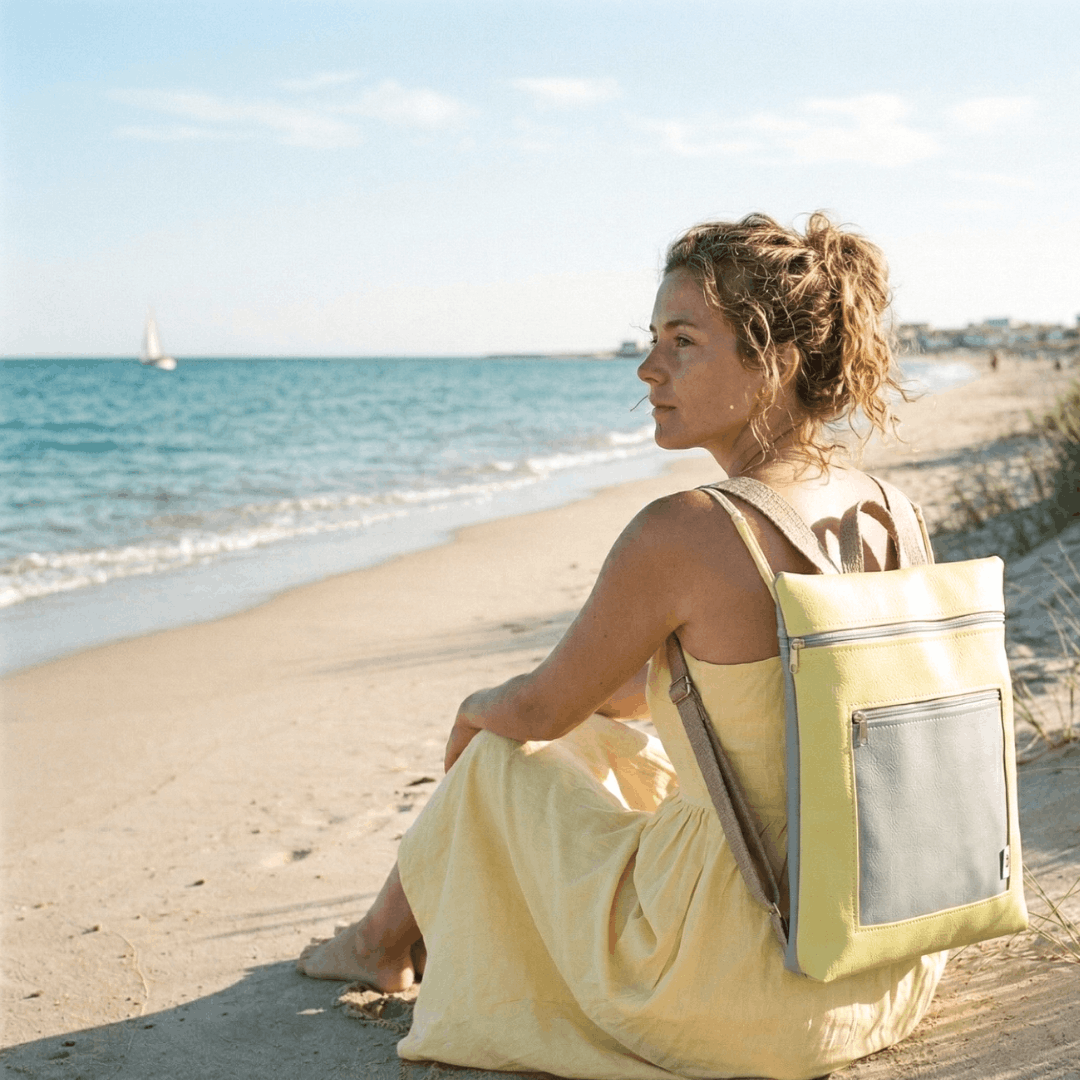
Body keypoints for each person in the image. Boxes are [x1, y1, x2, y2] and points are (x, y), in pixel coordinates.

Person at [298, 212, 947, 1079]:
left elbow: (536, 709)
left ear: (776, 363)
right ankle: (384, 935)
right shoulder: (887, 510)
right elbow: (685, 697)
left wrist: (470, 713)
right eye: (652, 340)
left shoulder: (687, 532)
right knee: (608, 737)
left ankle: (380, 940)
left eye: (683, 342)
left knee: (495, 754)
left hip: (741, 988)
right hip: (882, 961)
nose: (648, 369)